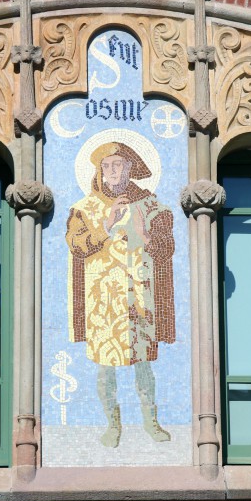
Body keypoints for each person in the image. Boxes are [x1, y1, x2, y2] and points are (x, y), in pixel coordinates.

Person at [66, 141, 175, 447]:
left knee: (144, 366)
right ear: (99, 171)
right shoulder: (83, 209)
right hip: (102, 303)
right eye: (106, 166)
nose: (112, 171)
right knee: (106, 367)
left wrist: (145, 235)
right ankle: (112, 426)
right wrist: (106, 225)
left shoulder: (154, 207)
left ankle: (151, 422)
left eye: (118, 164)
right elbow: (77, 246)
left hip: (141, 299)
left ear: (131, 169)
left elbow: (167, 249)